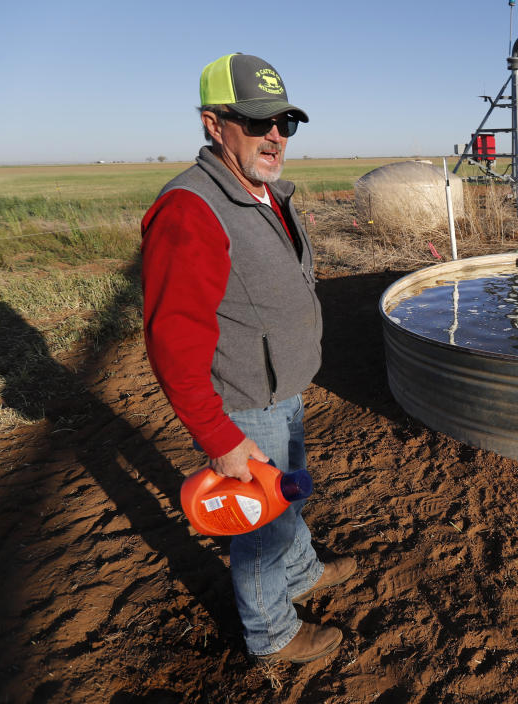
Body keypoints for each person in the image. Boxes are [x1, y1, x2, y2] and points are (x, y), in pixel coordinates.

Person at [140, 53, 356, 673]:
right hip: (241, 401)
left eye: (284, 122)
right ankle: (272, 633)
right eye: (257, 121)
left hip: (280, 388)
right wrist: (220, 438)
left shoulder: (262, 193)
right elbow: (173, 341)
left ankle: (305, 572)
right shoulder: (190, 208)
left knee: (287, 492)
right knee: (256, 525)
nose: (275, 135)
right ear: (214, 124)